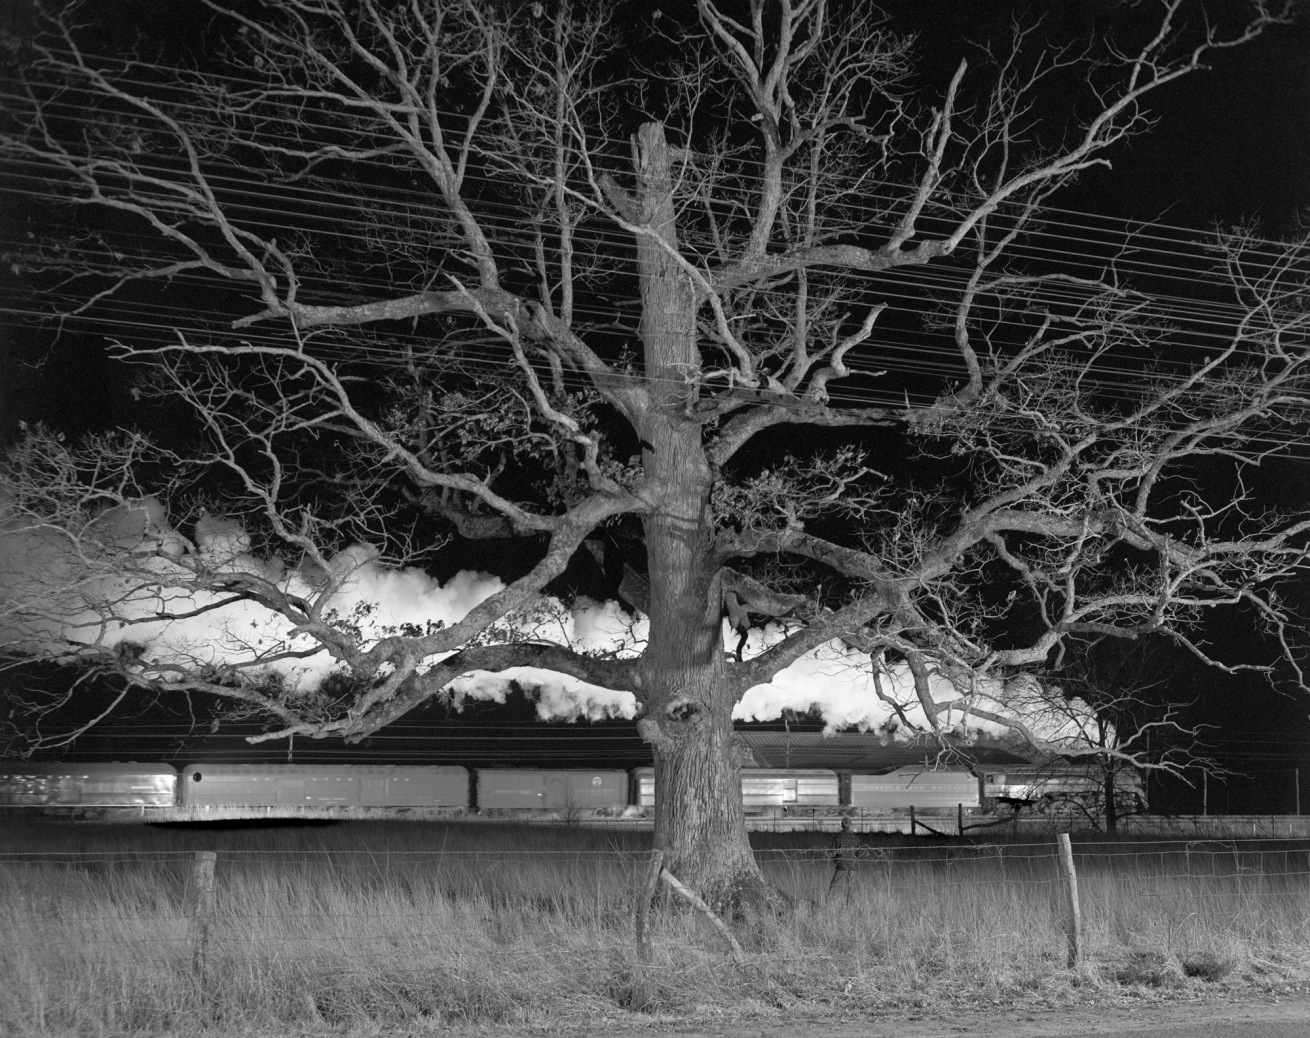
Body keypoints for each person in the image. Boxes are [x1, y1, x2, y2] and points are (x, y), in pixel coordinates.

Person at [828, 815, 863, 895]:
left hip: (841, 864)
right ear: (850, 825)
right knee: (852, 886)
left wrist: (837, 861)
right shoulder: (855, 838)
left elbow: (832, 853)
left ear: (841, 825)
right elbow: (858, 854)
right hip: (853, 865)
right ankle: (850, 905)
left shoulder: (837, 837)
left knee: (834, 885)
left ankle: (829, 903)